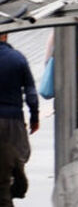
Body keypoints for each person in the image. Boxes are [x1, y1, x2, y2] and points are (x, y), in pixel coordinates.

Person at [0, 33, 37, 206]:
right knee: (15, 160)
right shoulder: (17, 58)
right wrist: (34, 117)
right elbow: (31, 92)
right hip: (13, 121)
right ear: (5, 35)